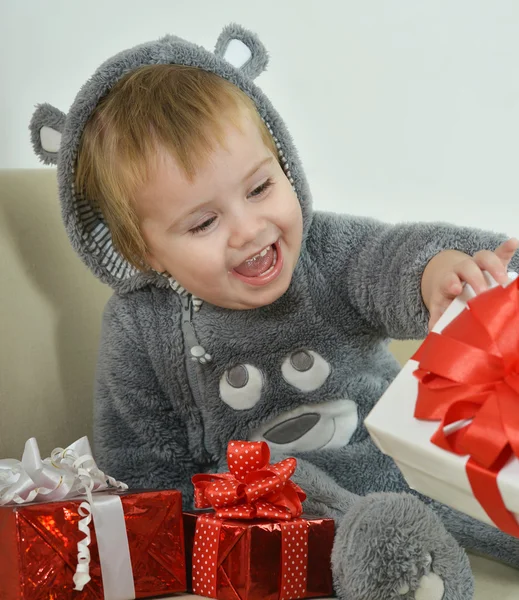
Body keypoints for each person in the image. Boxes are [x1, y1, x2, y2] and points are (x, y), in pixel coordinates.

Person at [30, 24, 518, 600]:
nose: (249, 229)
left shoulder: (322, 251)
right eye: (204, 223)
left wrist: (436, 272)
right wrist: (171, 539)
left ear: (283, 164)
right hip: (270, 509)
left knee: (482, 492)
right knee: (321, 516)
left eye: (260, 188)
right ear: (145, 252)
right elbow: (141, 463)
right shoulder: (139, 329)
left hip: (395, 456)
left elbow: (387, 260)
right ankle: (404, 571)